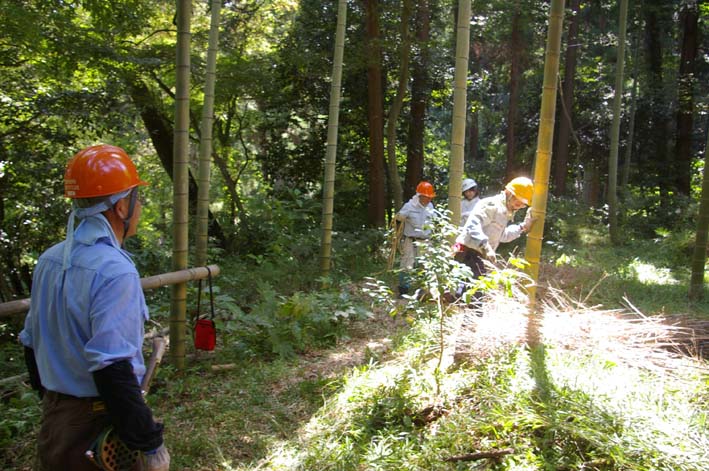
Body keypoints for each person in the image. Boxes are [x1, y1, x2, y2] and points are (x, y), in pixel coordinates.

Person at [19, 144, 170, 471]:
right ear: (120, 207)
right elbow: (112, 367)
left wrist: (57, 402)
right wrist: (149, 440)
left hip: (56, 423)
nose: (139, 207)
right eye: (136, 198)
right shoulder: (115, 271)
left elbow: (30, 344)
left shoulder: (49, 260)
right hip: (96, 425)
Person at [454, 176, 535, 298]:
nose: (518, 206)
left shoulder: (504, 212)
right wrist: (485, 246)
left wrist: (522, 227)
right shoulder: (491, 205)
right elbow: (473, 225)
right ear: (508, 193)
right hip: (466, 252)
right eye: (517, 202)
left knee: (472, 295)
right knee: (464, 294)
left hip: (479, 256)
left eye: (522, 205)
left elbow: (502, 236)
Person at [395, 181, 436, 297]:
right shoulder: (409, 206)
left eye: (430, 197)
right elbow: (398, 218)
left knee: (427, 265)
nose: (428, 199)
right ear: (420, 195)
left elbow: (435, 221)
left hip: (426, 240)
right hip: (411, 240)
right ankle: (403, 290)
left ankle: (425, 291)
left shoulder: (431, 206)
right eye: (426, 197)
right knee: (407, 265)